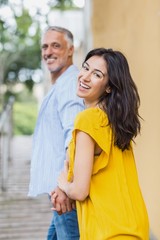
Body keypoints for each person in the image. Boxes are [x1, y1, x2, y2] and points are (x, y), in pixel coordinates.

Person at [52, 48, 149, 239]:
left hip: (108, 230)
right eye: (85, 68)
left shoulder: (88, 119)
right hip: (133, 226)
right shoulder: (116, 122)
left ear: (109, 87)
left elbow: (80, 191)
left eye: (96, 74)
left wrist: (63, 184)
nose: (85, 77)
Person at [28, 26, 84, 239]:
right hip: (59, 191)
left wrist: (64, 187)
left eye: (55, 45)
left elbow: (74, 137)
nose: (48, 52)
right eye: (44, 46)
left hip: (64, 192)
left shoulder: (70, 84)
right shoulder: (61, 84)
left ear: (70, 50)